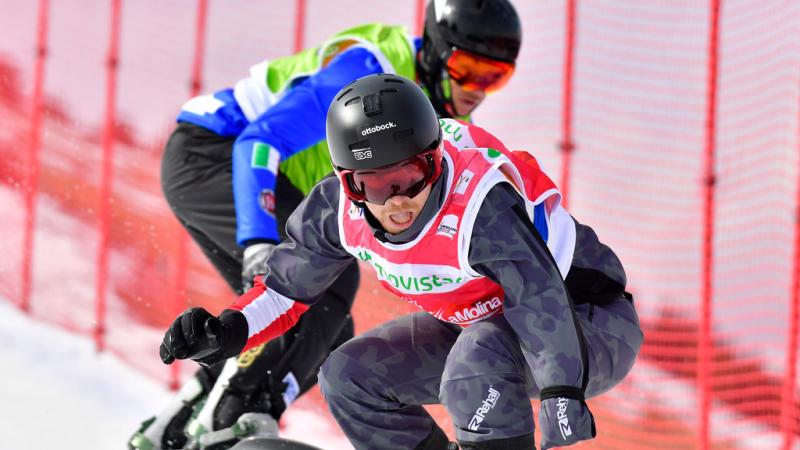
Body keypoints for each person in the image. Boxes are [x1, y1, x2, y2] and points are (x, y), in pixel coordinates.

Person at [158, 73, 644, 450]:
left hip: (585, 326)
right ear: (348, 183)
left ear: (434, 158)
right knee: (347, 376)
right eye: (374, 185)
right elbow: (286, 289)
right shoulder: (336, 212)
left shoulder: (479, 206)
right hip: (482, 332)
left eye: (413, 174)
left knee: (477, 355)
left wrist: (563, 392)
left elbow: (538, 298)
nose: (398, 200)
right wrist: (226, 332)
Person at [130, 1, 523, 449]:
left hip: (250, 172)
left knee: (332, 330)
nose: (478, 89)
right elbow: (258, 142)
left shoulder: (443, 122)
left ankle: (179, 426)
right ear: (435, 48)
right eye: (468, 68)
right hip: (215, 151)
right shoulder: (369, 71)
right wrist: (260, 242)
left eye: (496, 76)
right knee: (323, 284)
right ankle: (236, 415)